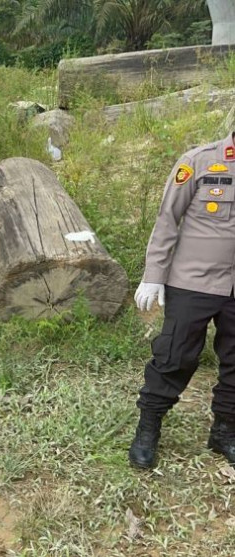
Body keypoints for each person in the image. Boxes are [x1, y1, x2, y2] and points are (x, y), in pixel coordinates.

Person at [128, 132, 235, 469]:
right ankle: (148, 429)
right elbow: (167, 219)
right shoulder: (198, 161)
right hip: (193, 282)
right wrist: (154, 275)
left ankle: (224, 431)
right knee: (175, 356)